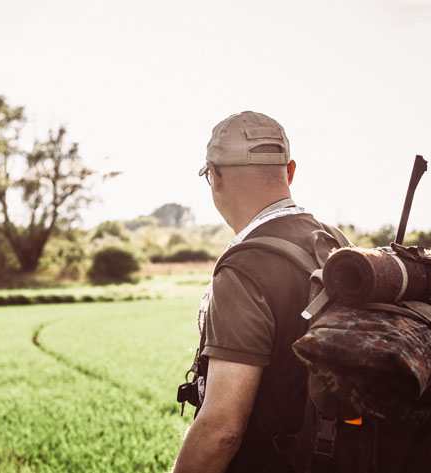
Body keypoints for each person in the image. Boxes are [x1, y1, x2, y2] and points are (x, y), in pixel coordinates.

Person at [172, 111, 345, 473]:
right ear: (291, 171)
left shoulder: (243, 268)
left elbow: (223, 429)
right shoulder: (337, 245)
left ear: (214, 177)